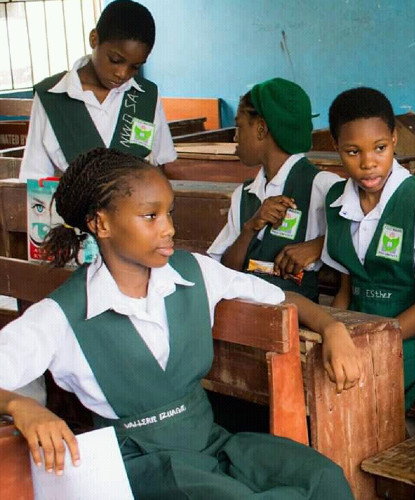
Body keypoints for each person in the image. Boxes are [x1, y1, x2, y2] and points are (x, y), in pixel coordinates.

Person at [0, 148, 359, 498]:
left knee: (321, 477)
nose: (169, 228)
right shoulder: (63, 315)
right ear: (101, 223)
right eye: (150, 216)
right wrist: (22, 406)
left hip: (211, 446)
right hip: (142, 469)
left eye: (169, 213)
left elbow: (281, 296)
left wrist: (332, 328)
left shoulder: (192, 272)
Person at [321, 87, 415, 411]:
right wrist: (334, 332)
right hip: (358, 337)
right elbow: (346, 290)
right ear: (335, 147)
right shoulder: (337, 202)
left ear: (395, 139)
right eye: (353, 152)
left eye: (379, 148)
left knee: (344, 391)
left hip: (414, 343)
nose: (369, 163)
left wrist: (373, 341)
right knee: (314, 371)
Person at [208, 78, 341, 302]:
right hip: (245, 316)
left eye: (239, 126)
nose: (235, 136)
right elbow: (225, 271)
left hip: (297, 321)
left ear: (261, 129)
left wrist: (317, 246)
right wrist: (251, 227)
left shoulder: (321, 185)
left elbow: (363, 237)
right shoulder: (245, 195)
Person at [20, 0, 176, 180]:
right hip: (71, 206)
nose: (122, 73)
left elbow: (160, 166)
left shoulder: (146, 96)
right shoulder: (51, 95)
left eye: (135, 67)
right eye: (115, 60)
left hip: (134, 205)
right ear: (94, 39)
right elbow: (35, 175)